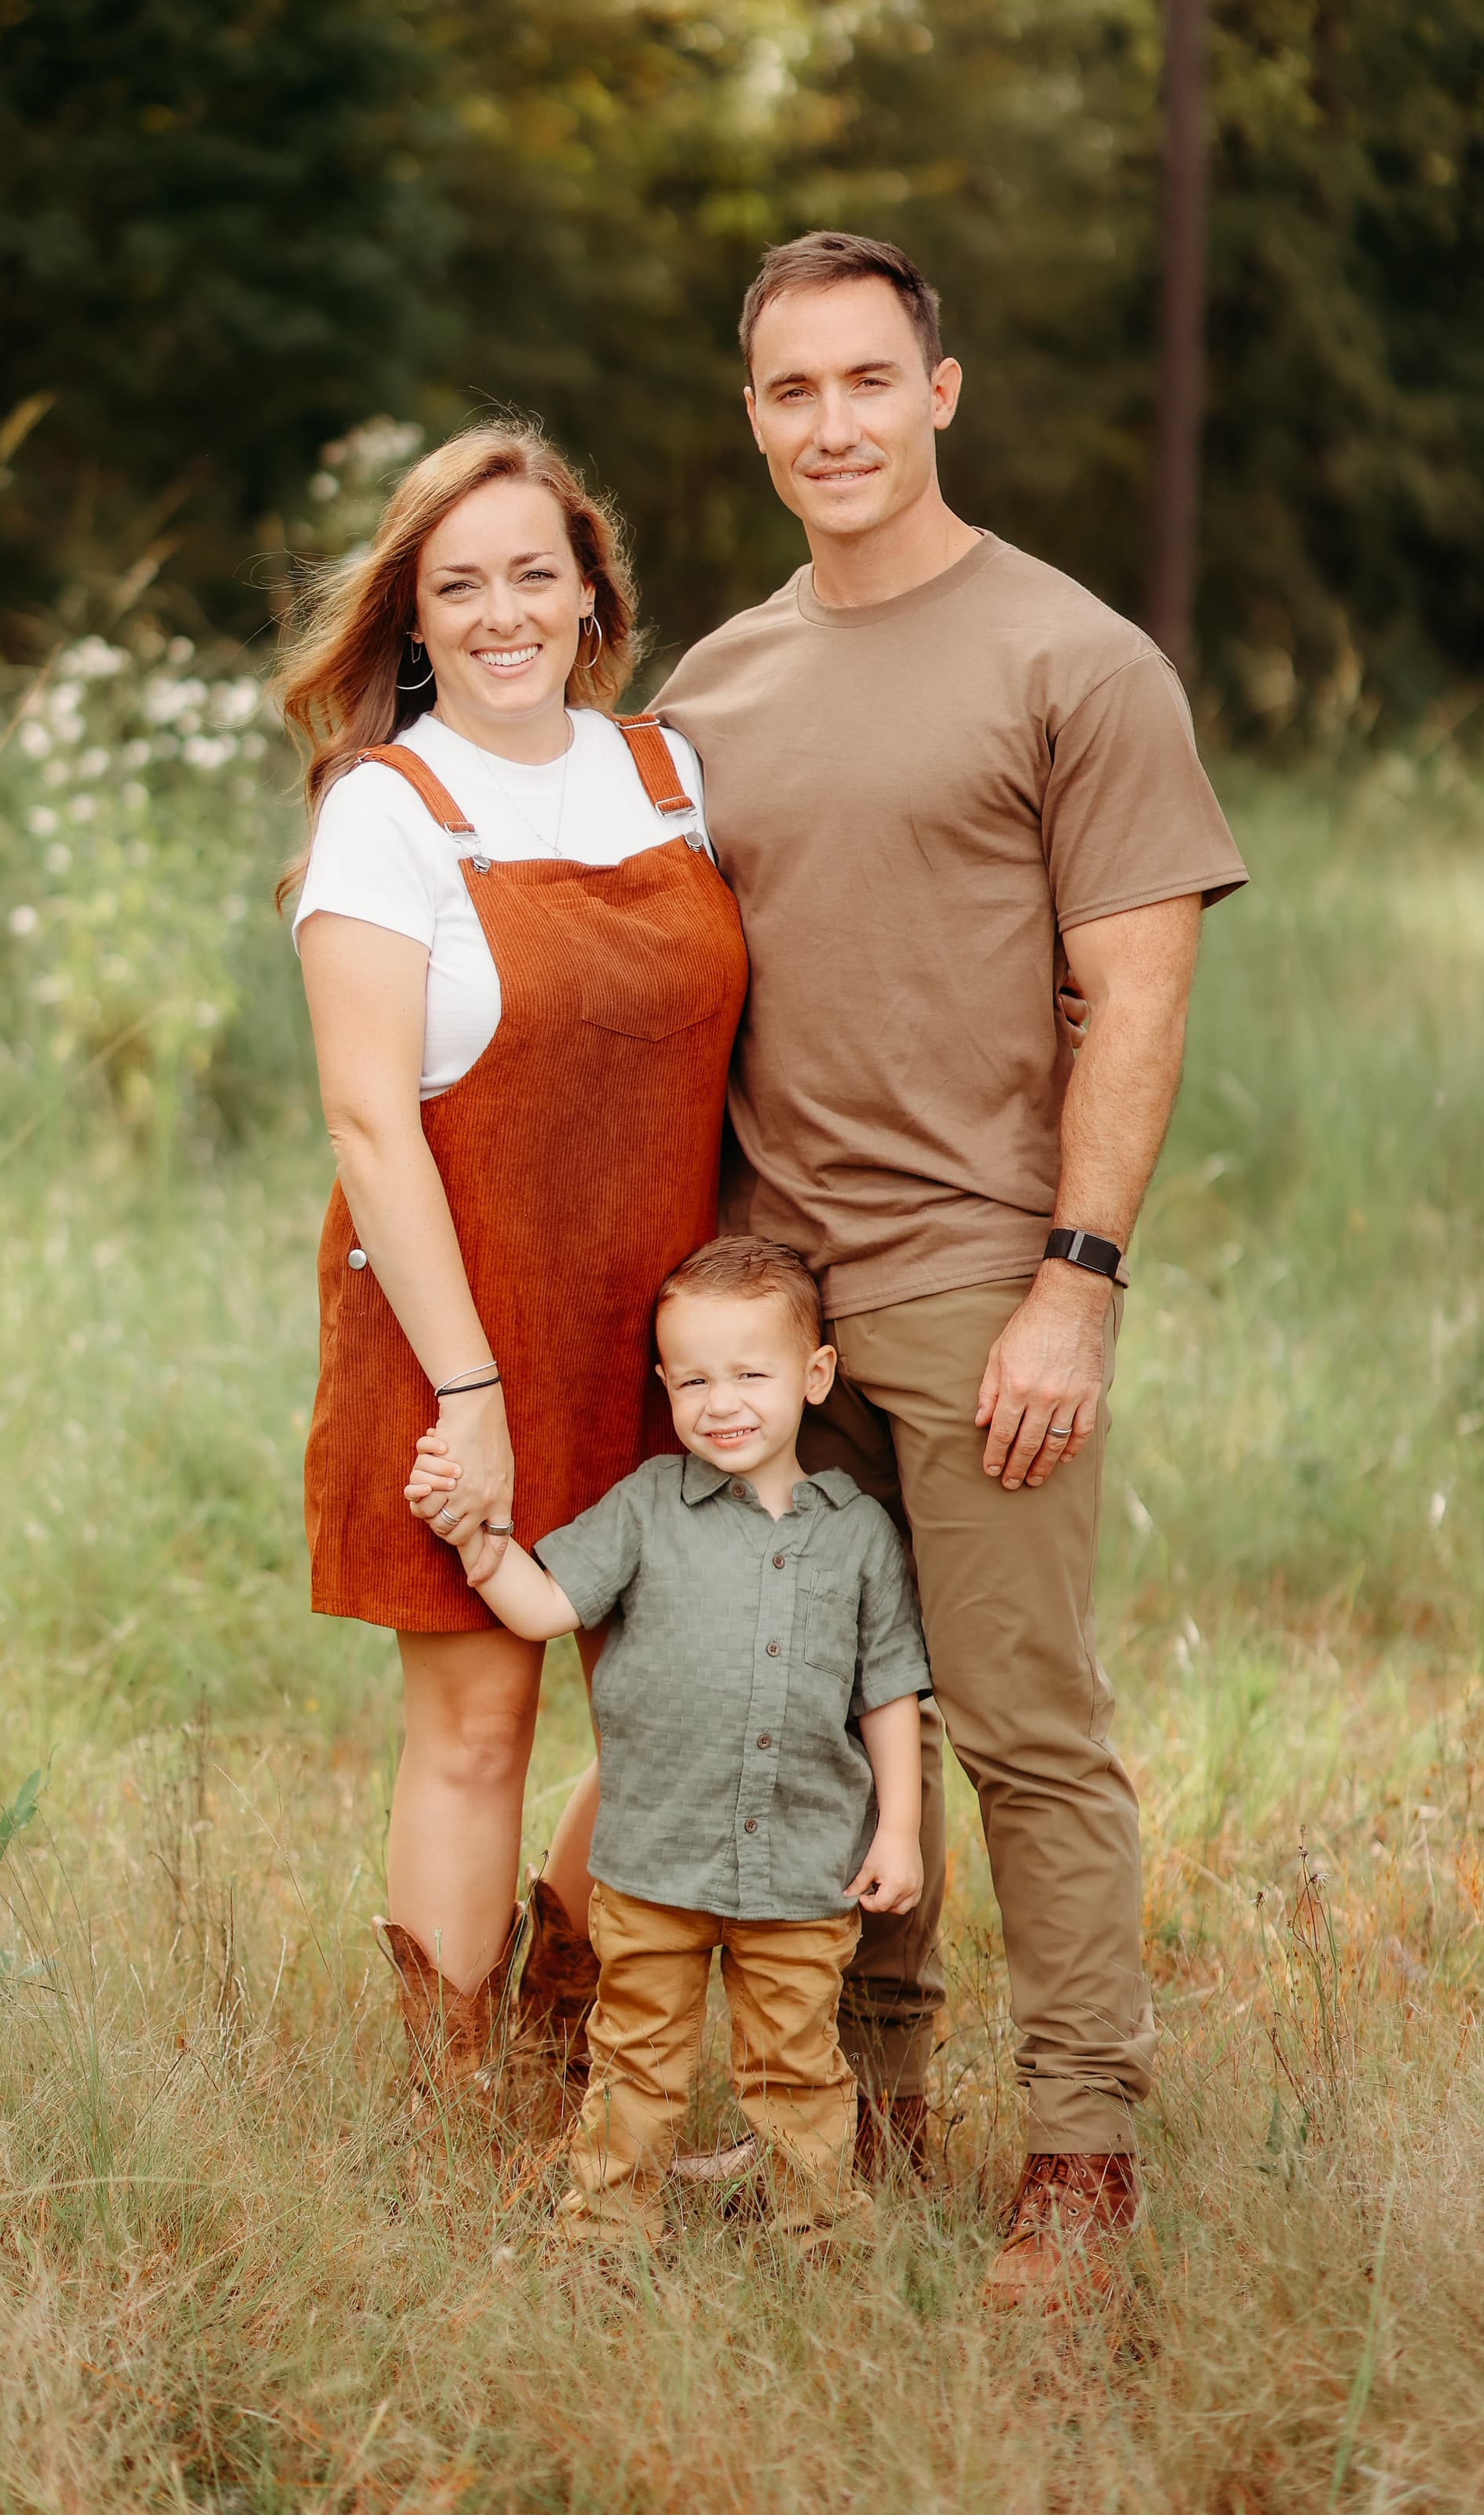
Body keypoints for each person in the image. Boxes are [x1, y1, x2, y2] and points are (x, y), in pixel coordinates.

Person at [654, 231, 1248, 2307]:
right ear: (754, 419)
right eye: (791, 390)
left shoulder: (1075, 659)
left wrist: (1077, 1283)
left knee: (1021, 1726)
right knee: (820, 1712)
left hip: (980, 1284)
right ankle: (861, 2115)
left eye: (866, 380)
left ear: (941, 392)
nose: (832, 423)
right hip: (773, 1311)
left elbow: (1138, 992)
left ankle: (1083, 2155)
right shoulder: (713, 686)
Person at [278, 423, 747, 2106]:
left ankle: (560, 2011)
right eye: (458, 584)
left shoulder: (672, 776)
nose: (500, 614)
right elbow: (368, 1119)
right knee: (479, 1728)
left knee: (702, 1705)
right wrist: (469, 1394)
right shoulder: (385, 812)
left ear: (590, 592)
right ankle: (452, 2104)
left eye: (533, 575)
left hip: (671, 1337)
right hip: (459, 1331)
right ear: (411, 615)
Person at [409, 1235, 928, 2247]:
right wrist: (474, 1538)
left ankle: (822, 2234)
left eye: (751, 1375)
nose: (721, 1403)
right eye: (693, 1381)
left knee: (795, 2067)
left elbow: (889, 1690)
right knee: (635, 2060)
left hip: (802, 1869)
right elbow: (545, 1607)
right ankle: (605, 2233)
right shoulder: (647, 1507)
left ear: (816, 1375)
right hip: (654, 1866)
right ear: (664, 1386)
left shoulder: (860, 1535)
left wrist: (898, 1830)